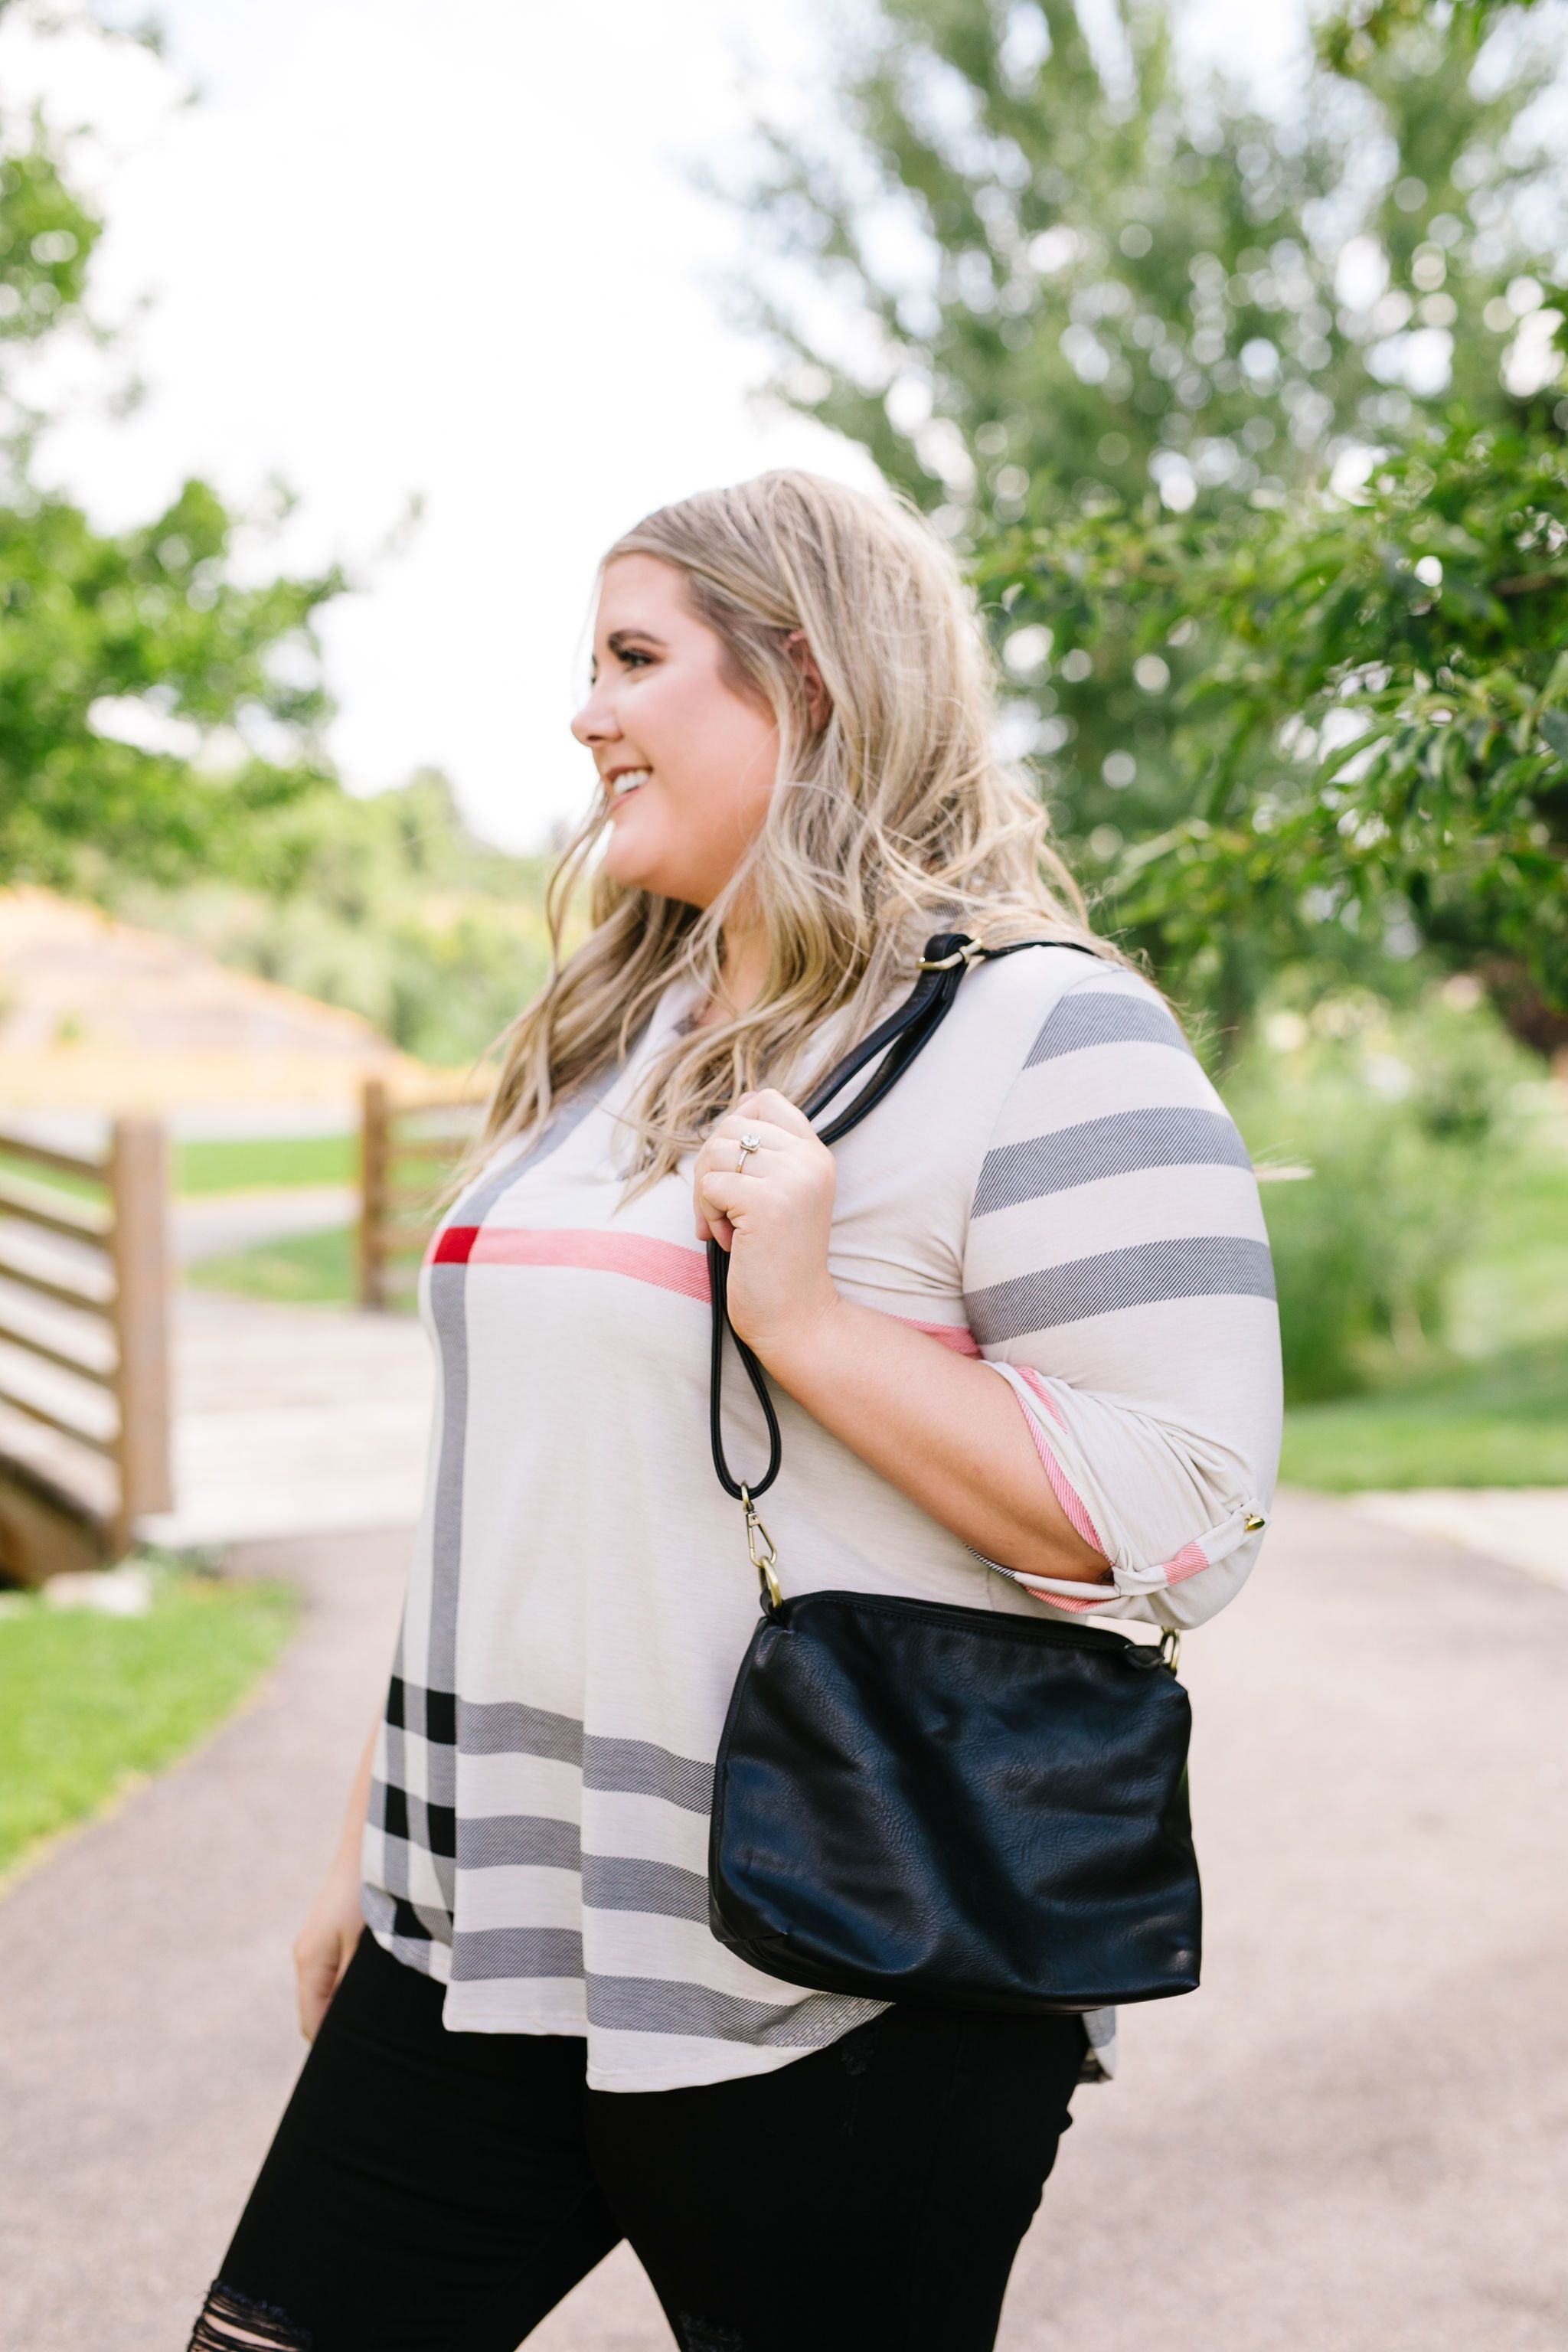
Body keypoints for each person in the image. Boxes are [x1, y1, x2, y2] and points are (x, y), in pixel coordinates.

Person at [188, 471, 1281, 2352]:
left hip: (838, 1958)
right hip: (485, 1933)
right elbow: (517, 1488)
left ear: (814, 687)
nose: (585, 712)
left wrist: (805, 1323)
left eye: (632, 659)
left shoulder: (1042, 1032)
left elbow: (1189, 1513)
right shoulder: (617, 1029)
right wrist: (372, 1854)